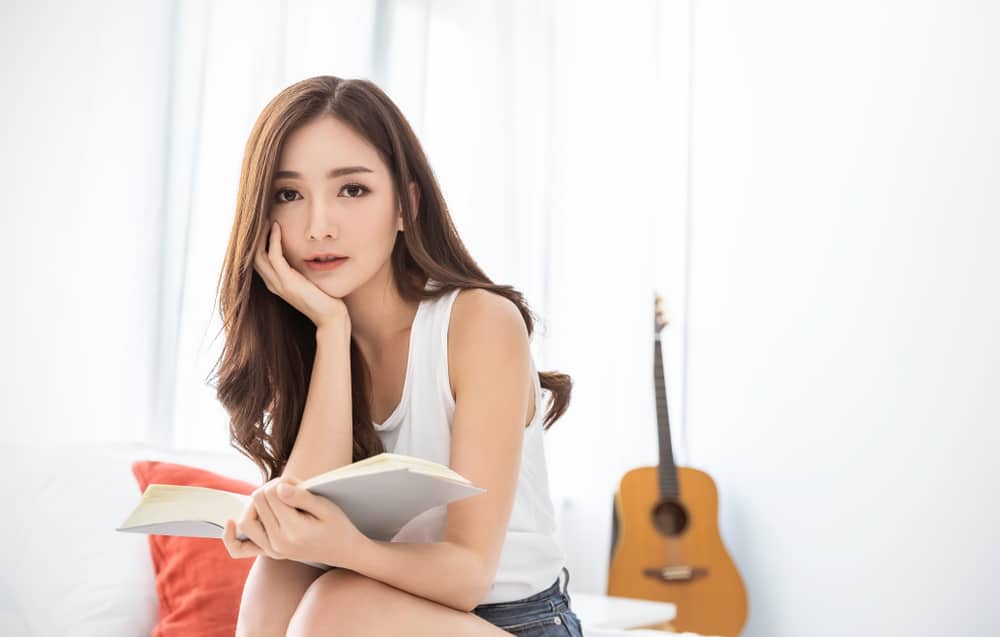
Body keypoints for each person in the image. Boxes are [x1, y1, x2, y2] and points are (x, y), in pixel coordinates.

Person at [211, 75, 583, 636]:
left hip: (516, 622)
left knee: (337, 603)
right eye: (289, 195)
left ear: (406, 206)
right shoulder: (310, 339)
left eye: (352, 190)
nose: (319, 226)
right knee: (280, 574)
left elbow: (468, 574)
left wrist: (347, 547)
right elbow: (301, 529)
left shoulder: (478, 323)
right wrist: (332, 331)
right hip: (377, 615)